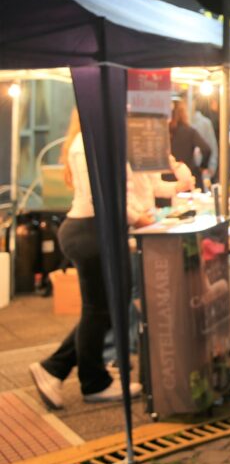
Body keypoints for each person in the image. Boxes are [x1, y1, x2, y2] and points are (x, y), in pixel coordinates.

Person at [29, 112, 145, 409]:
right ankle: (91, 381)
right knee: (99, 310)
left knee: (101, 309)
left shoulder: (89, 142)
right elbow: (101, 195)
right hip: (89, 231)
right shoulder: (89, 144)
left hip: (92, 230)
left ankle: (56, 369)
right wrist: (134, 217)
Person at [169, 101, 211, 185]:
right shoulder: (190, 131)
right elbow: (206, 149)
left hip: (167, 178)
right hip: (188, 178)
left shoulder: (162, 133)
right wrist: (203, 166)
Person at [189, 97, 218, 186]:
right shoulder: (176, 123)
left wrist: (210, 168)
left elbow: (211, 147)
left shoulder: (204, 123)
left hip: (201, 172)